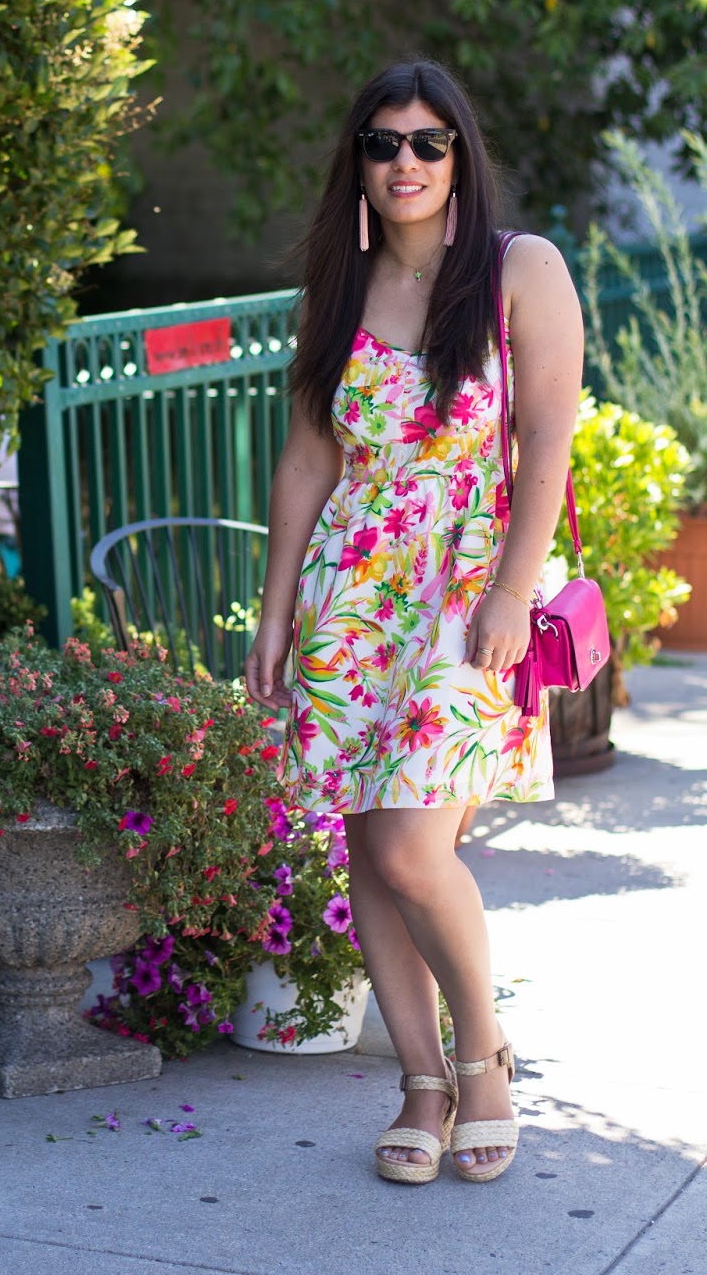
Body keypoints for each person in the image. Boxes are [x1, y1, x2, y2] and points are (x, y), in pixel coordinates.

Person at [244, 59, 583, 1186]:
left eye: (428, 142)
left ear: (460, 156)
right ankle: (420, 1083)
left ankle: (480, 1053)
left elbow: (546, 444)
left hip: (468, 588)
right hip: (354, 595)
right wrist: (277, 608)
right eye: (382, 143)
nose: (404, 162)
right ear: (357, 161)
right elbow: (308, 456)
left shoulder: (515, 270)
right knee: (363, 848)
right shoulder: (334, 287)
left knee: (409, 844)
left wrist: (508, 592)